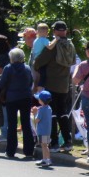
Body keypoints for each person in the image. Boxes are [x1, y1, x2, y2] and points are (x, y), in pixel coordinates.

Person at [33, 21, 76, 151]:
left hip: (51, 84)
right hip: (64, 85)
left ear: (54, 31)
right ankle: (68, 141)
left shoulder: (53, 46)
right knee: (63, 113)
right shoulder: (71, 45)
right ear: (66, 31)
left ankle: (54, 143)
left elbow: (38, 62)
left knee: (51, 114)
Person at [0, 47, 35, 159]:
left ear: (12, 58)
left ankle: (11, 151)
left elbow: (1, 83)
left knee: (12, 124)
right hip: (26, 97)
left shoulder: (8, 68)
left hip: (12, 98)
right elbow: (30, 82)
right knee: (26, 124)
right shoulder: (27, 68)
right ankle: (29, 150)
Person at [32, 90, 54, 167]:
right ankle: (45, 159)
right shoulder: (49, 108)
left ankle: (47, 160)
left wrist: (35, 113)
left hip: (42, 131)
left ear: (41, 101)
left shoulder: (41, 110)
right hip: (47, 130)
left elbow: (36, 120)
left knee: (44, 146)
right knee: (44, 145)